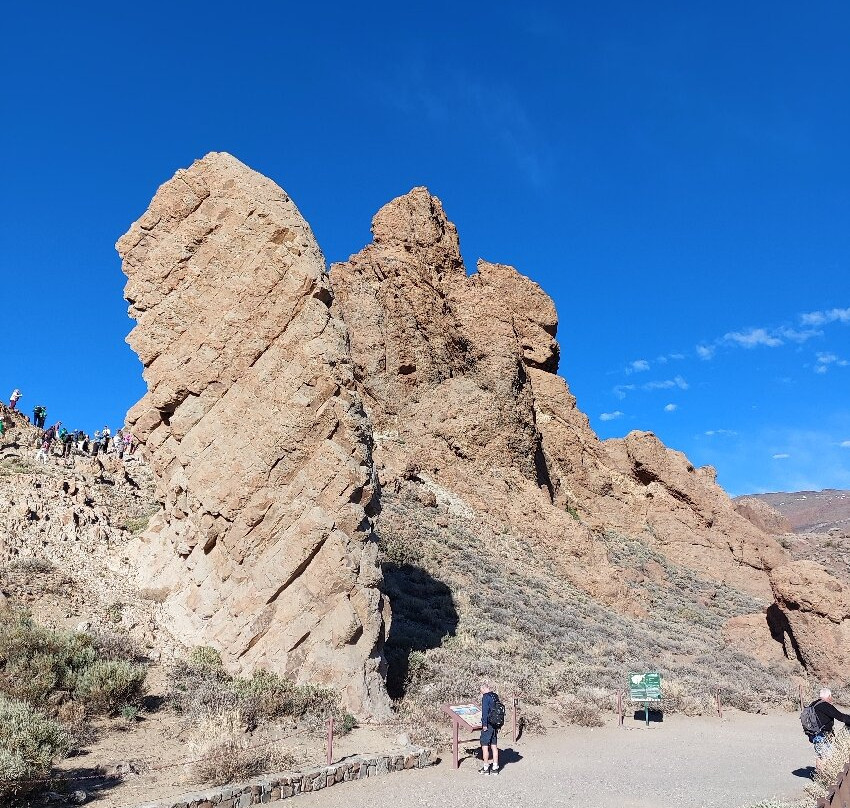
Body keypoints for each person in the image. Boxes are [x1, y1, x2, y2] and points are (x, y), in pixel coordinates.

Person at [806, 688, 850, 769]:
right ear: (829, 696)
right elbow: (840, 716)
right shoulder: (825, 705)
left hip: (813, 734)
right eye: (831, 696)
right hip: (821, 735)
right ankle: (824, 777)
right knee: (828, 757)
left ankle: (820, 775)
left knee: (821, 756)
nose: (831, 698)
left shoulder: (813, 704)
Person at [478, 683, 501, 775]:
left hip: (488, 724)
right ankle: (495, 767)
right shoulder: (495, 696)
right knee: (494, 746)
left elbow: (485, 712)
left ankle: (486, 767)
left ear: (484, 689)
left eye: (481, 690)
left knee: (484, 746)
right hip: (495, 724)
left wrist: (484, 724)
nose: (481, 693)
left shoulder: (486, 697)